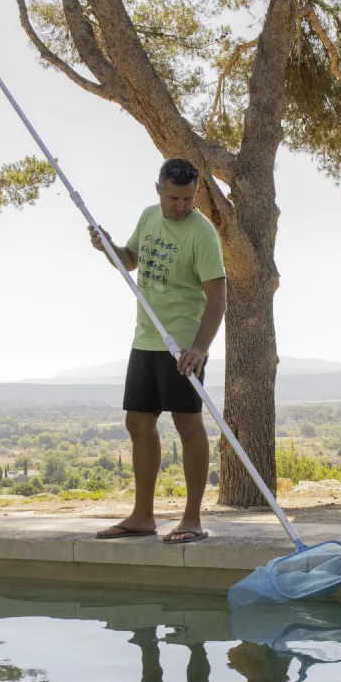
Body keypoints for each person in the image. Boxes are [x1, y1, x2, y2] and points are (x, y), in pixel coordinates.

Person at [89, 158, 226, 543]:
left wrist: (199, 348)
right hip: (145, 338)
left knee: (187, 425)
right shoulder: (149, 217)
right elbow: (130, 261)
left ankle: (192, 519)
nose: (180, 205)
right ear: (158, 190)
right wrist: (108, 247)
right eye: (173, 198)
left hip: (181, 344)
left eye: (187, 198)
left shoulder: (203, 234)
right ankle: (142, 517)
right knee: (138, 423)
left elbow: (218, 297)